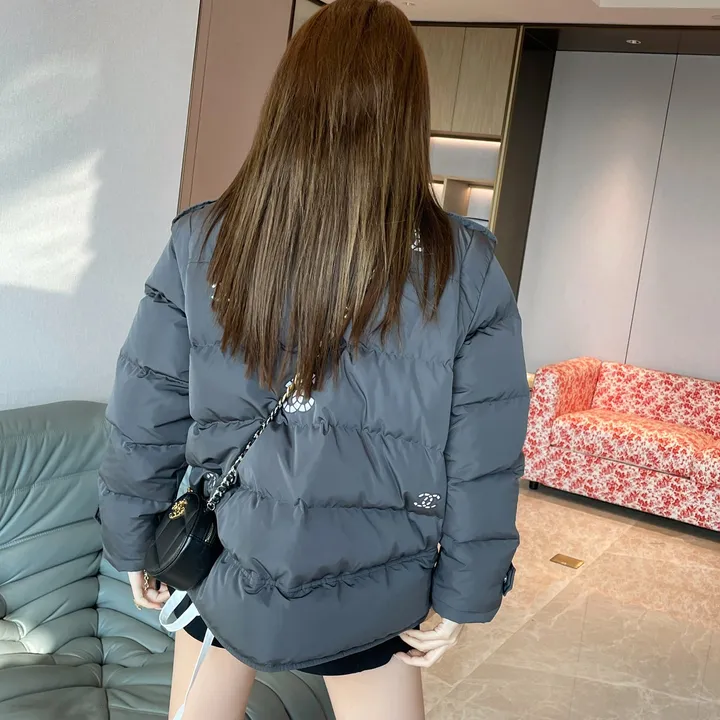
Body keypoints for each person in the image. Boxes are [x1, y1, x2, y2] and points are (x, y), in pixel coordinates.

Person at [97, 1, 529, 718]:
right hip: (374, 584)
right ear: (406, 115)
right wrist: (464, 590)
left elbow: (145, 411)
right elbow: (482, 455)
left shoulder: (202, 241)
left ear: (289, 99)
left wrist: (133, 538)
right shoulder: (465, 267)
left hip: (225, 559)